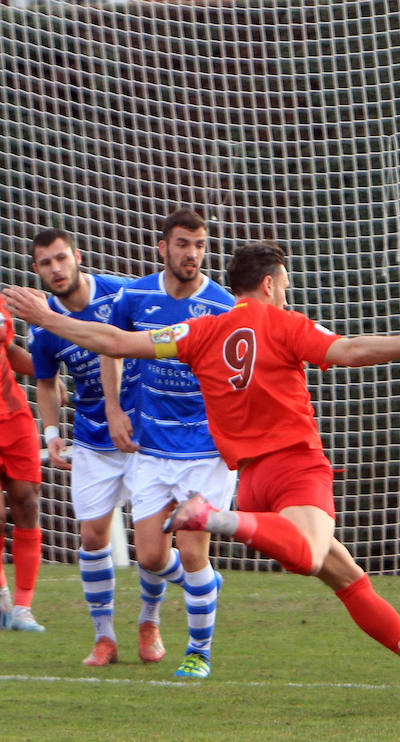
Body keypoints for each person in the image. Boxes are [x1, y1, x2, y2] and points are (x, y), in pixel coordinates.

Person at [3, 240, 400, 695]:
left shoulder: (199, 330)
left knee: (350, 581)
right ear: (268, 285)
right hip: (295, 468)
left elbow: (116, 342)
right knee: (308, 554)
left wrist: (48, 318)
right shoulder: (286, 323)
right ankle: (217, 519)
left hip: (254, 483)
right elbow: (352, 350)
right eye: (284, 286)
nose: (286, 294)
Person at [105, 208, 234, 678]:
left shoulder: (222, 306)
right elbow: (110, 345)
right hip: (152, 446)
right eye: (183, 244)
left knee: (194, 552)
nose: (192, 254)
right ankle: (205, 586)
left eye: (199, 245)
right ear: (163, 248)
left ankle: (199, 653)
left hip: (204, 450)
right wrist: (115, 409)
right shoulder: (135, 296)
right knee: (152, 557)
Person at [28, 229, 145, 664]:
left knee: (154, 544)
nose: (56, 269)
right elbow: (46, 382)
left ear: (77, 256)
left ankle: (150, 622)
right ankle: (105, 638)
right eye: (46, 263)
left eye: (61, 258)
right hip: (93, 437)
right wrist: (51, 434)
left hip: (144, 433)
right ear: (37, 269)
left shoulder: (122, 294)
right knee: (93, 537)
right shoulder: (43, 323)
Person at [0, 294, 44, 632]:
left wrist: (46, 372)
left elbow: (10, 350)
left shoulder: (2, 307)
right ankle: (1, 595)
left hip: (14, 418)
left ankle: (22, 608)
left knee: (27, 503)